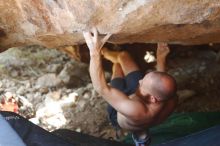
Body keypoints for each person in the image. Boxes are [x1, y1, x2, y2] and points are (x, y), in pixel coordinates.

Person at [83, 28, 178, 146]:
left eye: (142, 83)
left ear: (153, 98)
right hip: (138, 99)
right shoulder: (169, 98)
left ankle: (138, 134)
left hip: (121, 112)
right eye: (144, 78)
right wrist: (161, 58)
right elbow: (162, 81)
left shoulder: (136, 110)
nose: (140, 80)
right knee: (124, 56)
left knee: (117, 67)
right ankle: (106, 52)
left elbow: (101, 88)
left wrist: (94, 51)